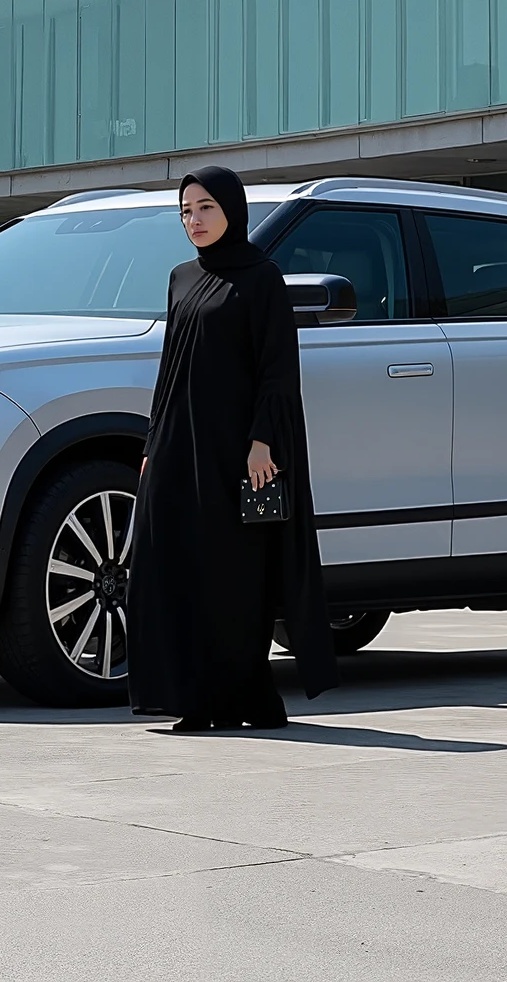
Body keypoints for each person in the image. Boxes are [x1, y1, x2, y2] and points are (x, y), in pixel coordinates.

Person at [126, 165, 337, 730]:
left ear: (233, 211)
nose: (194, 220)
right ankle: (191, 699)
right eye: (186, 212)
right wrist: (153, 442)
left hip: (236, 451)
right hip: (177, 444)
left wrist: (263, 441)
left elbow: (276, 369)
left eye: (205, 209)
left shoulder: (262, 278)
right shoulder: (180, 279)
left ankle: (240, 697)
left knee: (233, 576)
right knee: (172, 566)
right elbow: (170, 367)